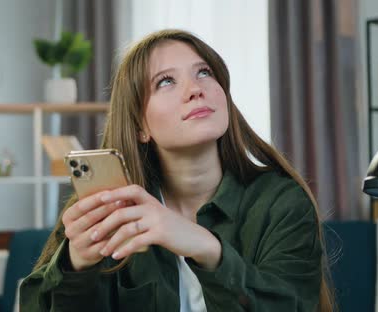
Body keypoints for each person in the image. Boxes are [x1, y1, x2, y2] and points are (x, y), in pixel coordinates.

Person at [20, 29, 334, 312]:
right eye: (166, 81)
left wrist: (207, 248)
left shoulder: (281, 201)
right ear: (140, 125)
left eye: (205, 73)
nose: (195, 89)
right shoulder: (105, 214)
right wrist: (76, 266)